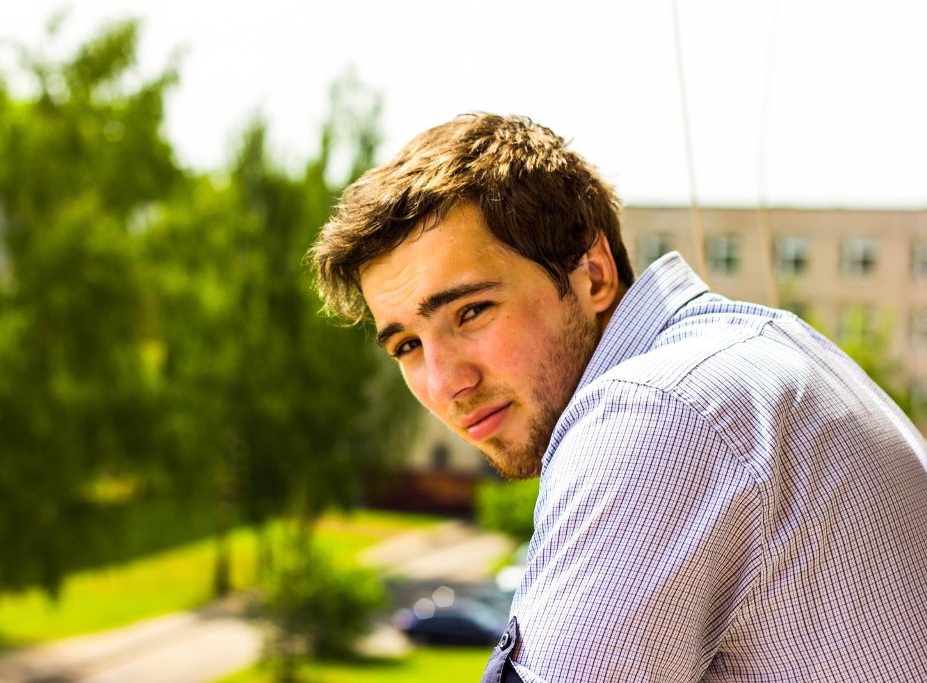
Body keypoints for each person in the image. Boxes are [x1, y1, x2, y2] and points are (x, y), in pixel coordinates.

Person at [307, 114, 927, 682]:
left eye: (471, 311)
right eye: (408, 346)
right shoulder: (758, 347)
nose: (446, 384)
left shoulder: (657, 412)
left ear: (594, 274)